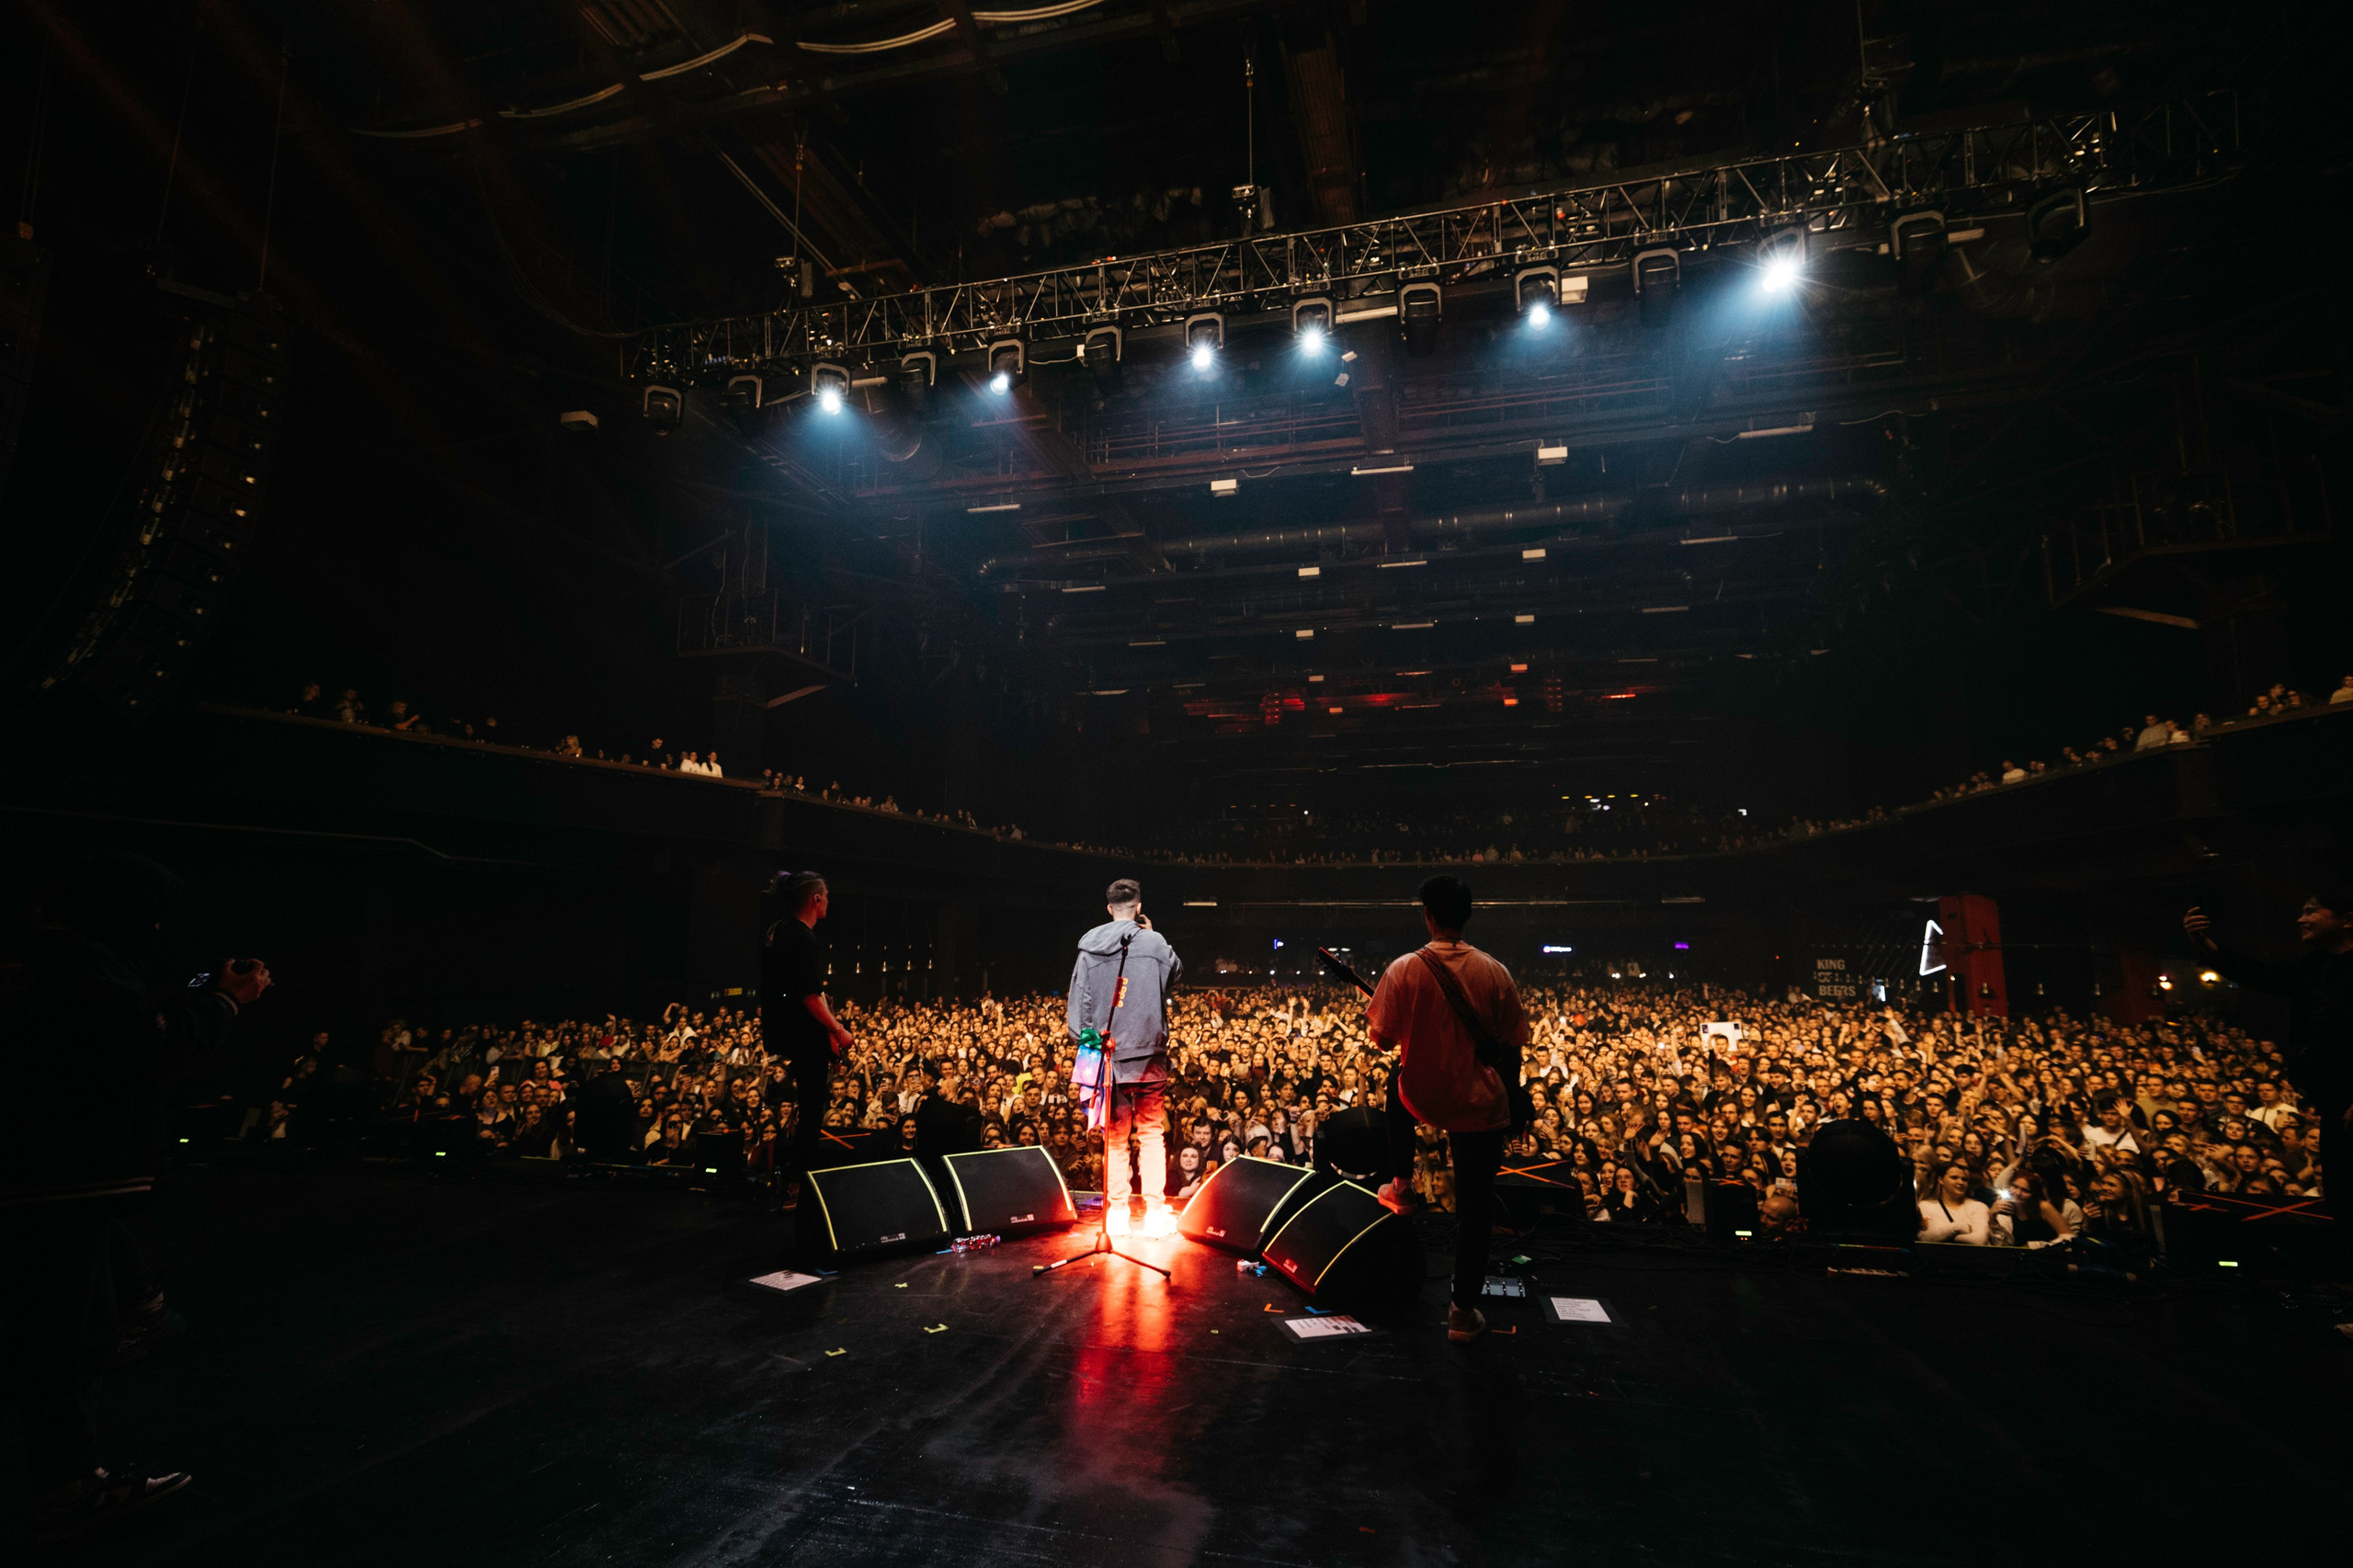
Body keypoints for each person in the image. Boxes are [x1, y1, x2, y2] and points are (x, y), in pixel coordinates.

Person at [0, 852, 273, 1541]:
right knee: (65, 1336)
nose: (153, 929)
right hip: (61, 1172)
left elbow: (147, 1012)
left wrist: (206, 992)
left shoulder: (37, 960)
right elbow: (152, 1039)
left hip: (39, 1174)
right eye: (148, 916)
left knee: (64, 1314)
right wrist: (225, 1001)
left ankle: (143, 1308)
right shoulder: (75, 970)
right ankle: (68, 1490)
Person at [1365, 874, 1525, 1342]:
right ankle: (1462, 1312)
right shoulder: (1495, 972)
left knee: (1395, 1082)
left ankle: (1402, 1185)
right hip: (1479, 1104)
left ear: (1428, 916)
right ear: (1468, 916)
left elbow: (1382, 1041)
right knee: (1475, 1210)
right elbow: (1514, 1041)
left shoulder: (1403, 969)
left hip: (1422, 1095)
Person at [2186, 890, 2353, 1258]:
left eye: (2312, 911)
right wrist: (2206, 945)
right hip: (2332, 1101)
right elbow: (2262, 975)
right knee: (2343, 1197)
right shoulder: (2315, 965)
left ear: (2347, 920)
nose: (2301, 919)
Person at [1066, 878, 1182, 1234]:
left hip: (1109, 1058)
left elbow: (1079, 1010)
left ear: (1109, 908)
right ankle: (1155, 1213)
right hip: (1149, 1056)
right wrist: (1153, 935)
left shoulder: (1088, 948)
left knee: (1115, 1138)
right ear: (1138, 907)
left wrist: (1091, 1042)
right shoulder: (1154, 941)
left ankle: (1116, 1214)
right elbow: (1175, 974)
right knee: (1151, 1135)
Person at [761, 872, 853, 1201]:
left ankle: (792, 1175)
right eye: (826, 896)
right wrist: (838, 1030)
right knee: (812, 1109)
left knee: (806, 1104)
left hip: (783, 1028)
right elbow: (810, 996)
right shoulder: (803, 937)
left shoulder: (778, 929)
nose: (828, 901)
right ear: (816, 900)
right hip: (802, 1031)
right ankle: (799, 1183)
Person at [1916, 1159, 1999, 1244]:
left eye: (1964, 1179)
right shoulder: (1926, 1206)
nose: (1960, 1182)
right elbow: (1924, 1237)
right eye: (1954, 1177)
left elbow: (1979, 1240)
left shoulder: (1979, 1207)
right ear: (1940, 1180)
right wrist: (1958, 1227)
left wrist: (1946, 1237)